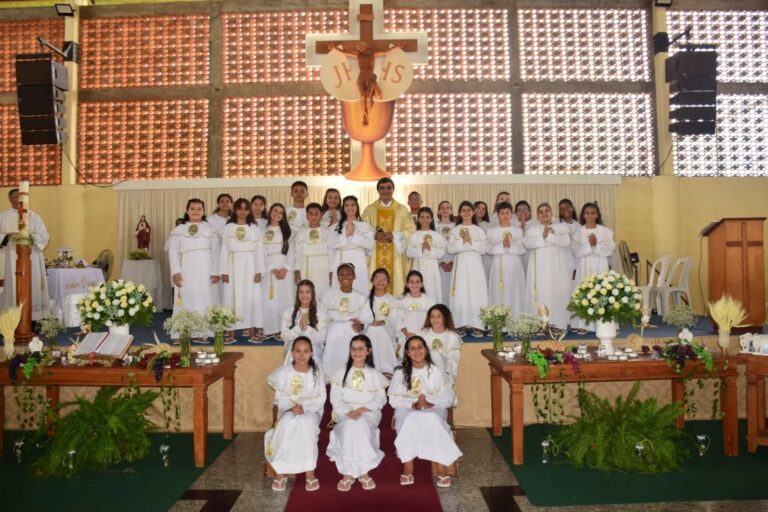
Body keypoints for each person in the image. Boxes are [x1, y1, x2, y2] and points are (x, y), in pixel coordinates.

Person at [388, 335, 462, 488]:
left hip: (433, 407)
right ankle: (408, 466)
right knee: (410, 420)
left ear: (426, 350)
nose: (417, 351)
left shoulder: (435, 371)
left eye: (420, 347)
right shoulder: (400, 373)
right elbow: (393, 400)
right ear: (407, 353)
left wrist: (429, 403)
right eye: (412, 348)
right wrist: (412, 404)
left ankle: (441, 466)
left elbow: (447, 397)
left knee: (433, 420)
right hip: (407, 409)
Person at [327, 335, 388, 492]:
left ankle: (364, 471)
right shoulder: (340, 372)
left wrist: (362, 410)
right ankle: (348, 472)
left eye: (361, 349)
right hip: (344, 412)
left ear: (369, 351)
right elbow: (335, 398)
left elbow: (380, 400)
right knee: (351, 424)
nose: (357, 352)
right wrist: (348, 411)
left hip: (368, 412)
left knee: (360, 424)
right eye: (353, 349)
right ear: (349, 351)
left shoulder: (374, 374)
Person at [265, 336, 326, 492]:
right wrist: (291, 408)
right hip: (288, 410)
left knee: (305, 424)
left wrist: (304, 407)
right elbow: (280, 399)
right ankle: (281, 472)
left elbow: (320, 399)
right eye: (298, 351)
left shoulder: (317, 374)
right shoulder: (284, 373)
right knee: (287, 424)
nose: (301, 355)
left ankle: (309, 472)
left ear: (311, 353)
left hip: (311, 411)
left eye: (306, 351)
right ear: (292, 353)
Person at [0, 188, 50, 320]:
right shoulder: (3, 217)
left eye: (20, 197)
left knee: (31, 285)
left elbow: (44, 237)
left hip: (31, 256)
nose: (18, 200)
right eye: (14, 197)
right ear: (10, 200)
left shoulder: (34, 216)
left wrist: (28, 236)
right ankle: (11, 319)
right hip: (10, 259)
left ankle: (33, 319)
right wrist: (7, 236)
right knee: (13, 288)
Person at [219, 198, 265, 341]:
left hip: (250, 265)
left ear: (249, 210)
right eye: (240, 208)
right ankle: (230, 333)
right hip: (232, 265)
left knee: (250, 296)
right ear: (235, 210)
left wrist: (259, 271)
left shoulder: (254, 229)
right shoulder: (228, 228)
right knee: (231, 297)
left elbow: (259, 251)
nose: (243, 211)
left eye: (246, 208)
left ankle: (252, 331)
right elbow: (224, 250)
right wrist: (224, 271)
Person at [362, 177, 415, 295]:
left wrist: (395, 235)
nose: (385, 191)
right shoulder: (369, 210)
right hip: (375, 254)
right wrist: (375, 235)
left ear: (393, 190)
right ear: (378, 190)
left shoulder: (402, 210)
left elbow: (411, 230)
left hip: (395, 255)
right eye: (382, 188)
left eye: (388, 188)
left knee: (396, 287)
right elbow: (362, 230)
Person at [168, 198, 220, 317]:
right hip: (186, 268)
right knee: (187, 295)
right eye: (192, 209)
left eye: (199, 209)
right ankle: (185, 329)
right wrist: (175, 271)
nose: (195, 211)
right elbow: (173, 252)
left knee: (205, 297)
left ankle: (204, 331)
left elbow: (216, 252)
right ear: (187, 211)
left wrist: (215, 271)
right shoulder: (179, 230)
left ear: (203, 211)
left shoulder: (211, 230)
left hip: (206, 268)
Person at [523, 203, 571, 330]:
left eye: (547, 211)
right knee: (541, 292)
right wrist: (542, 237)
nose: (544, 214)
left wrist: (549, 237)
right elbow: (527, 243)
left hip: (557, 268)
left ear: (552, 213)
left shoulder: (561, 227)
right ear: (537, 215)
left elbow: (566, 242)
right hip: (539, 268)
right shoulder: (532, 229)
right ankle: (540, 324)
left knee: (556, 293)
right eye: (541, 212)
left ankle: (557, 323)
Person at [571, 202, 616, 333]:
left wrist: (596, 246)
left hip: (599, 264)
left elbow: (610, 250)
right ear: (583, 215)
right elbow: (576, 250)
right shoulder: (578, 232)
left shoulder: (605, 232)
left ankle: (602, 322)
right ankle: (584, 324)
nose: (590, 215)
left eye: (592, 213)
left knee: (600, 290)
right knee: (584, 292)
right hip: (583, 263)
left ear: (597, 215)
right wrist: (588, 247)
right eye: (587, 213)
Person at [321, 263, 374, 375]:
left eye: (348, 274)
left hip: (351, 331)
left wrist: (362, 325)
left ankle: (350, 372)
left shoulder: (361, 298)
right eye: (341, 274)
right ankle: (330, 374)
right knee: (336, 327)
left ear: (354, 276)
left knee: (351, 329)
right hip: (332, 332)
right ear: (337, 277)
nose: (345, 277)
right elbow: (320, 314)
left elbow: (368, 318)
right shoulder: (328, 294)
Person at [448, 201, 488, 336]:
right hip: (461, 263)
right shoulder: (455, 230)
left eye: (469, 210)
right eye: (463, 210)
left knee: (476, 292)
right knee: (461, 292)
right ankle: (460, 324)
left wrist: (471, 242)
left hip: (475, 263)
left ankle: (478, 324)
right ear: (459, 213)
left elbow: (484, 248)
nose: (466, 212)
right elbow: (450, 248)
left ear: (473, 212)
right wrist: (463, 242)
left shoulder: (479, 230)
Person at [486, 201, 526, 316]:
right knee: (498, 291)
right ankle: (499, 321)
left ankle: (516, 320)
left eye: (507, 213)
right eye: (502, 213)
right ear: (498, 215)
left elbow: (522, 248)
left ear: (512, 215)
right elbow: (487, 249)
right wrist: (502, 246)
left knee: (514, 290)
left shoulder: (518, 231)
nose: (505, 216)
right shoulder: (492, 232)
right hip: (498, 264)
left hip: (514, 264)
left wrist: (510, 245)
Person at [330, 196, 374, 295]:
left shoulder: (365, 226)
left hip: (359, 259)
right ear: (343, 208)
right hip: (341, 258)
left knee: (359, 286)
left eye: (353, 205)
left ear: (357, 207)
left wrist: (355, 235)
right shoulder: (336, 227)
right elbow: (330, 245)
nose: (350, 208)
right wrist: (345, 235)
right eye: (347, 205)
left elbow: (371, 245)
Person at [262, 203, 295, 337]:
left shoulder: (288, 231)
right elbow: (262, 252)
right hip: (269, 269)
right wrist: (273, 268)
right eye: (275, 211)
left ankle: (284, 329)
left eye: (281, 213)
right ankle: (271, 328)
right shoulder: (262, 231)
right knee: (270, 300)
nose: (277, 214)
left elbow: (292, 252)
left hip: (285, 269)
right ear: (270, 212)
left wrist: (285, 268)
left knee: (285, 299)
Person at [280, 280, 327, 368]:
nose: (304, 295)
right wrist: (298, 329)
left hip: (314, 347)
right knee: (294, 353)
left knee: (311, 355)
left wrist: (307, 329)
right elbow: (284, 337)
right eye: (301, 292)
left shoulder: (320, 313)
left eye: (307, 292)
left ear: (312, 294)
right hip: (293, 346)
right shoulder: (288, 312)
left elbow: (321, 339)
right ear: (297, 294)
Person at [406, 207, 445, 301]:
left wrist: (430, 249)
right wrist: (421, 248)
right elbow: (409, 252)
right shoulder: (415, 235)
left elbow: (442, 252)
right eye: (422, 217)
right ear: (418, 219)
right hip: (418, 265)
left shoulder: (436, 235)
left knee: (432, 289)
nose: (425, 220)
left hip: (432, 267)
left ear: (431, 219)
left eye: (427, 217)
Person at [394, 270, 436, 359]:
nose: (414, 284)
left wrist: (423, 334)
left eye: (417, 282)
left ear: (422, 284)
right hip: (408, 335)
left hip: (425, 334)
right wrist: (407, 334)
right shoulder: (402, 301)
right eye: (411, 282)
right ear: (407, 284)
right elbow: (399, 321)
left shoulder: (430, 300)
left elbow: (433, 320)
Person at [294, 203, 332, 298]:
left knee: (323, 291)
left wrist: (331, 271)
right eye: (311, 213)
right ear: (307, 216)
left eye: (316, 213)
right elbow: (297, 254)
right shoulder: (301, 233)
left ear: (321, 215)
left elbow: (331, 253)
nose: (314, 216)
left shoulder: (328, 232)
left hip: (323, 267)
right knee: (308, 292)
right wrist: (297, 271)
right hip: (306, 266)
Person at [364, 268, 398, 375]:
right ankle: (372, 366)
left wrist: (383, 322)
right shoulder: (366, 300)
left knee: (379, 330)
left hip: (387, 331)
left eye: (384, 279)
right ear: (372, 281)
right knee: (373, 329)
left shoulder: (393, 300)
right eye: (377, 278)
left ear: (388, 282)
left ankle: (386, 368)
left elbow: (395, 319)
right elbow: (362, 318)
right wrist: (370, 322)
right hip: (369, 329)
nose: (380, 281)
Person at [420, 304, 462, 385]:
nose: (435, 320)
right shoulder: (423, 334)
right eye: (432, 316)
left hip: (443, 371)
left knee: (435, 355)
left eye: (438, 316)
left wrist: (445, 373)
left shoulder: (452, 336)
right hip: (424, 369)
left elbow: (453, 359)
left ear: (445, 318)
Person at [435, 201, 455, 306]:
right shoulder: (435, 227)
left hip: (454, 262)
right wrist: (441, 262)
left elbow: (458, 245)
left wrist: (453, 261)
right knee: (441, 287)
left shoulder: (456, 227)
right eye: (442, 208)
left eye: (448, 207)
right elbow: (433, 246)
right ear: (439, 211)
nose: (445, 210)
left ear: (451, 211)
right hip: (439, 262)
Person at [559, 198, 580, 284]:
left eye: (567, 207)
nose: (565, 210)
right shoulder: (557, 225)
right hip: (560, 262)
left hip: (574, 263)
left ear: (572, 208)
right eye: (562, 209)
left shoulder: (579, 227)